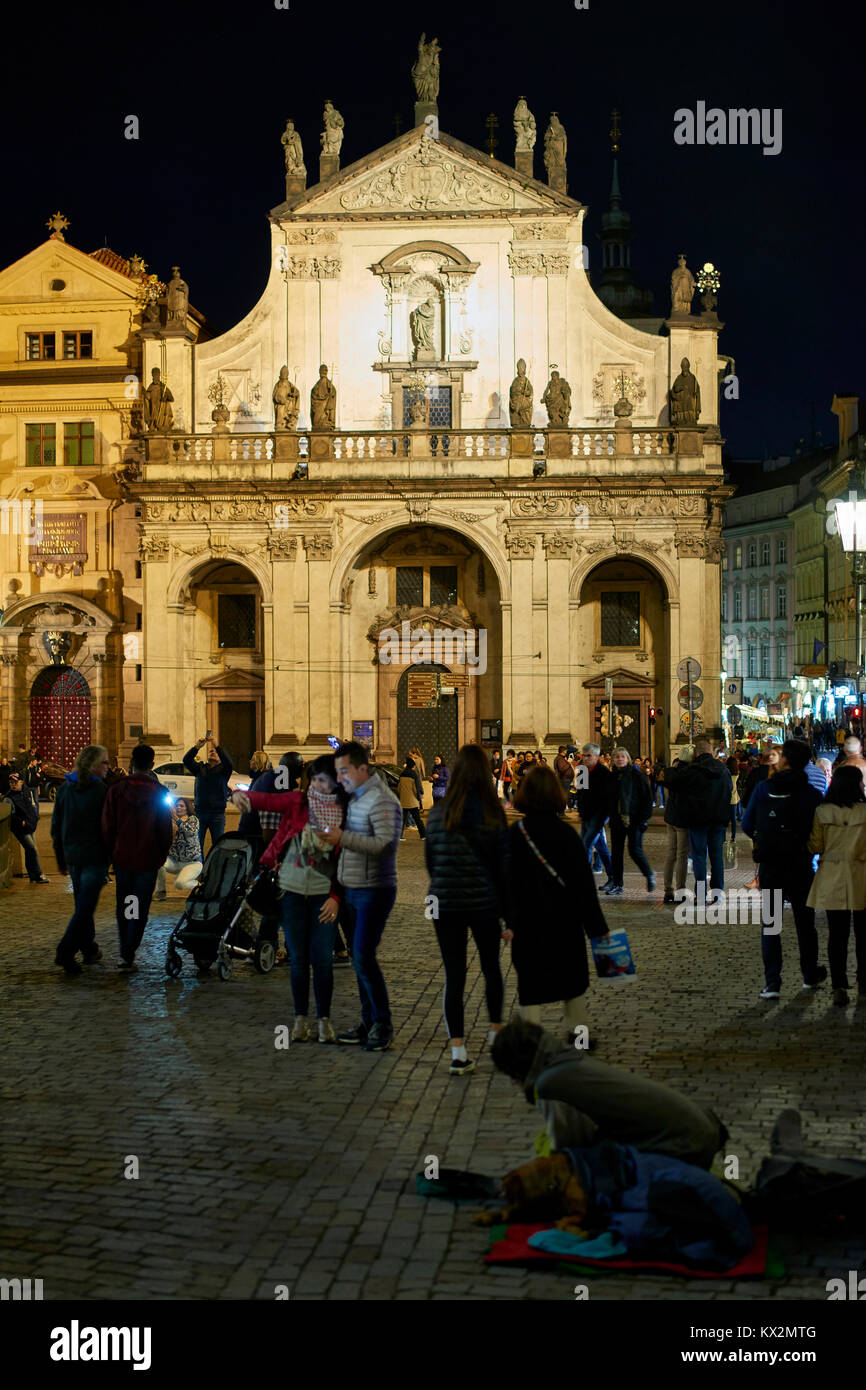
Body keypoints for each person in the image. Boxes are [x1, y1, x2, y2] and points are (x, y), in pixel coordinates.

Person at [491, 1020, 728, 1169]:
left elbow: (569, 1150)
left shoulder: (550, 1084)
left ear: (519, 1067)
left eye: (511, 1074)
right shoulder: (567, 1058)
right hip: (698, 1132)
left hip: (684, 1148)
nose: (512, 1082)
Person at [235, 754, 347, 1042]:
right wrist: (239, 796)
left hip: (324, 895)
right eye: (317, 779)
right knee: (298, 960)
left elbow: (345, 861)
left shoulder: (342, 812)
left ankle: (324, 1020)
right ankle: (300, 1020)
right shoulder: (297, 802)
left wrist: (336, 896)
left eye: (328, 780)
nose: (321, 785)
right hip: (291, 892)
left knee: (321, 959)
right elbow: (265, 800)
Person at [425, 744, 510, 1075]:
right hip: (485, 905)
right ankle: (494, 1032)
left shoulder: (437, 813)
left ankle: (458, 1051)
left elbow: (432, 863)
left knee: (454, 976)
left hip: (445, 904)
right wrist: (509, 916)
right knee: (491, 969)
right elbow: (504, 869)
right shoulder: (493, 813)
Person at [508, 765, 608, 1036]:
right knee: (572, 984)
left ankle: (531, 1042)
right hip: (565, 923)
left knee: (530, 986)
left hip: (528, 924)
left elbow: (505, 883)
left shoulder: (515, 834)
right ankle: (579, 1036)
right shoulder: (566, 835)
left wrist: (508, 921)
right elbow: (584, 887)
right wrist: (598, 928)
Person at [316, 741, 402, 1053]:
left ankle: (383, 1023)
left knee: (364, 956)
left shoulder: (381, 800)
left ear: (362, 768)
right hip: (353, 888)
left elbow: (384, 845)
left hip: (375, 889)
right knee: (358, 957)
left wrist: (343, 838)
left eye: (344, 771)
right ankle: (368, 1021)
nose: (340, 778)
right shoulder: (356, 797)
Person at [742, 739, 826, 1000]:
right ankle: (809, 975)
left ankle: (772, 983)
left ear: (786, 760)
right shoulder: (812, 793)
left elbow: (746, 824)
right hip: (801, 865)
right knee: (805, 923)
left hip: (772, 866)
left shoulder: (764, 788)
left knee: (771, 924)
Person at [102, 744, 173, 969]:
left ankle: (126, 948)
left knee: (126, 903)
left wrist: (112, 851)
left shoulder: (116, 790)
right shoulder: (159, 793)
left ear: (132, 762)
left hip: (123, 858)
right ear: (151, 764)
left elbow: (107, 826)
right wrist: (162, 854)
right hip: (147, 858)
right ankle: (129, 948)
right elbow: (165, 829)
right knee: (139, 906)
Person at [807, 765, 866, 1007]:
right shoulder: (865, 812)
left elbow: (815, 846)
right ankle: (864, 983)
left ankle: (839, 985)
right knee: (864, 935)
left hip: (832, 876)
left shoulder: (822, 812)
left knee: (837, 935)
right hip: (862, 875)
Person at [51, 746, 112, 974]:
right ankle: (65, 951)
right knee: (85, 908)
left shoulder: (66, 788)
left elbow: (56, 827)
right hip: (94, 858)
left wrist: (60, 857)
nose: (108, 767)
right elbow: (108, 826)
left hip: (74, 857)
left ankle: (89, 948)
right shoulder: (99, 790)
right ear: (94, 765)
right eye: (105, 763)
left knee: (83, 906)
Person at [666, 737, 732, 896]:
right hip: (718, 821)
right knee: (717, 858)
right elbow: (729, 790)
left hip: (697, 820)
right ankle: (717, 893)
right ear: (712, 752)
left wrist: (676, 765)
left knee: (699, 857)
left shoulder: (692, 770)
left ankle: (700, 894)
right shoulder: (723, 770)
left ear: (696, 753)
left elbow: (672, 781)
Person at [604, 748, 654, 896]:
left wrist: (643, 819)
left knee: (634, 850)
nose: (620, 759)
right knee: (617, 853)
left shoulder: (637, 776)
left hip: (635, 819)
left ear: (628, 758)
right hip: (617, 820)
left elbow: (647, 799)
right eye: (617, 757)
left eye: (622, 757)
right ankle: (618, 884)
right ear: (613, 759)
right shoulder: (612, 777)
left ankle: (648, 874)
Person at [183, 735, 234, 855]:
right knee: (197, 845)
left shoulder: (224, 770)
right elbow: (186, 760)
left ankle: (214, 870)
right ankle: (200, 869)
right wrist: (197, 747)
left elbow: (229, 763)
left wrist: (217, 745)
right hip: (200, 813)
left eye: (215, 752)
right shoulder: (200, 768)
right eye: (211, 751)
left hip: (217, 814)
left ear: (221, 758)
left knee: (218, 846)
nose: (212, 752)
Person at [576, 743, 614, 889]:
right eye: (584, 756)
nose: (585, 758)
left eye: (589, 756)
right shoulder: (582, 771)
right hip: (586, 815)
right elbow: (580, 793)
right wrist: (580, 812)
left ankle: (583, 881)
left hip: (597, 817)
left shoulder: (604, 773)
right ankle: (613, 877)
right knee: (601, 848)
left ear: (597, 756)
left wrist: (603, 817)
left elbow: (607, 798)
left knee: (585, 845)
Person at [4, 769, 49, 882]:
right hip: (21, 828)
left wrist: (33, 820)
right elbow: (11, 815)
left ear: (21, 782)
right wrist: (22, 822)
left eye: (15, 782)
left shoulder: (26, 792)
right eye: (11, 782)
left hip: (29, 825)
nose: (13, 785)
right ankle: (38, 874)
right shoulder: (9, 798)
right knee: (32, 849)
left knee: (30, 850)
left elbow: (32, 807)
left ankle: (32, 876)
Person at [154, 798, 203, 900]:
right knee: (159, 864)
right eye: (177, 805)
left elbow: (190, 831)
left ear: (187, 808)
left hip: (192, 863)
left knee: (179, 884)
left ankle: (201, 887)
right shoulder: (171, 820)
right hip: (175, 861)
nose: (178, 808)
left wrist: (176, 818)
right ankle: (161, 892)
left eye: (181, 806)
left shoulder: (193, 820)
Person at [661, 747, 693, 905]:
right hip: (682, 819)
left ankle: (667, 891)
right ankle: (680, 890)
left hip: (670, 817)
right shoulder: (689, 773)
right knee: (682, 856)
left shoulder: (671, 772)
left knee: (671, 854)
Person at [398, 757, 426, 840]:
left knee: (402, 820)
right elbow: (416, 787)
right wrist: (419, 797)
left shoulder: (402, 774)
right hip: (412, 800)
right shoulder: (414, 774)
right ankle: (423, 835)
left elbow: (399, 788)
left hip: (403, 800)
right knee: (417, 819)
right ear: (412, 766)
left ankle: (399, 836)